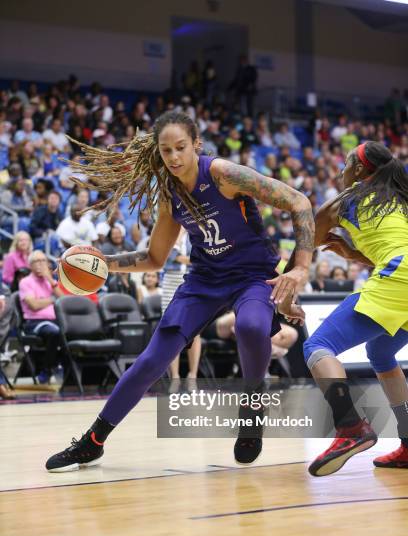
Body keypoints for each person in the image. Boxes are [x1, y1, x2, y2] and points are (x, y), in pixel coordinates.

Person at [45, 109, 313, 472]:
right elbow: (155, 257)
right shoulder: (170, 194)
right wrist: (105, 262)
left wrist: (299, 268)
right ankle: (93, 441)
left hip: (252, 275)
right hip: (203, 279)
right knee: (152, 361)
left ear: (196, 145)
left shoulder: (223, 173)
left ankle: (252, 409)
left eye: (180, 148)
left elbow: (300, 202)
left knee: (250, 326)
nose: (173, 157)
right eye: (166, 150)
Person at [286, 141, 408, 476]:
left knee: (317, 346)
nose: (341, 169)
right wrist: (353, 256)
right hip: (402, 275)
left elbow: (302, 251)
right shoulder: (399, 199)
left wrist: (283, 293)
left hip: (400, 277)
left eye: (345, 163)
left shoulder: (343, 201)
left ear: (358, 170)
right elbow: (392, 247)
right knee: (382, 354)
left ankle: (350, 427)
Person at [162, 227, 201, 381]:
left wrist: (181, 257)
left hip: (193, 280)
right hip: (171, 279)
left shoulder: (197, 231)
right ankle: (175, 377)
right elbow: (170, 254)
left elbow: (202, 258)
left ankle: (193, 376)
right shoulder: (168, 230)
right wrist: (179, 233)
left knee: (196, 330)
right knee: (172, 329)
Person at [19, 251, 63, 383]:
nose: (40, 264)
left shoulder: (50, 282)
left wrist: (49, 279)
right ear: (30, 265)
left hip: (53, 321)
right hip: (34, 322)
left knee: (71, 332)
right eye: (36, 261)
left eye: (43, 261)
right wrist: (52, 299)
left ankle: (64, 369)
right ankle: (47, 369)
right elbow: (34, 305)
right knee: (55, 333)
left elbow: (63, 301)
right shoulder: (25, 282)